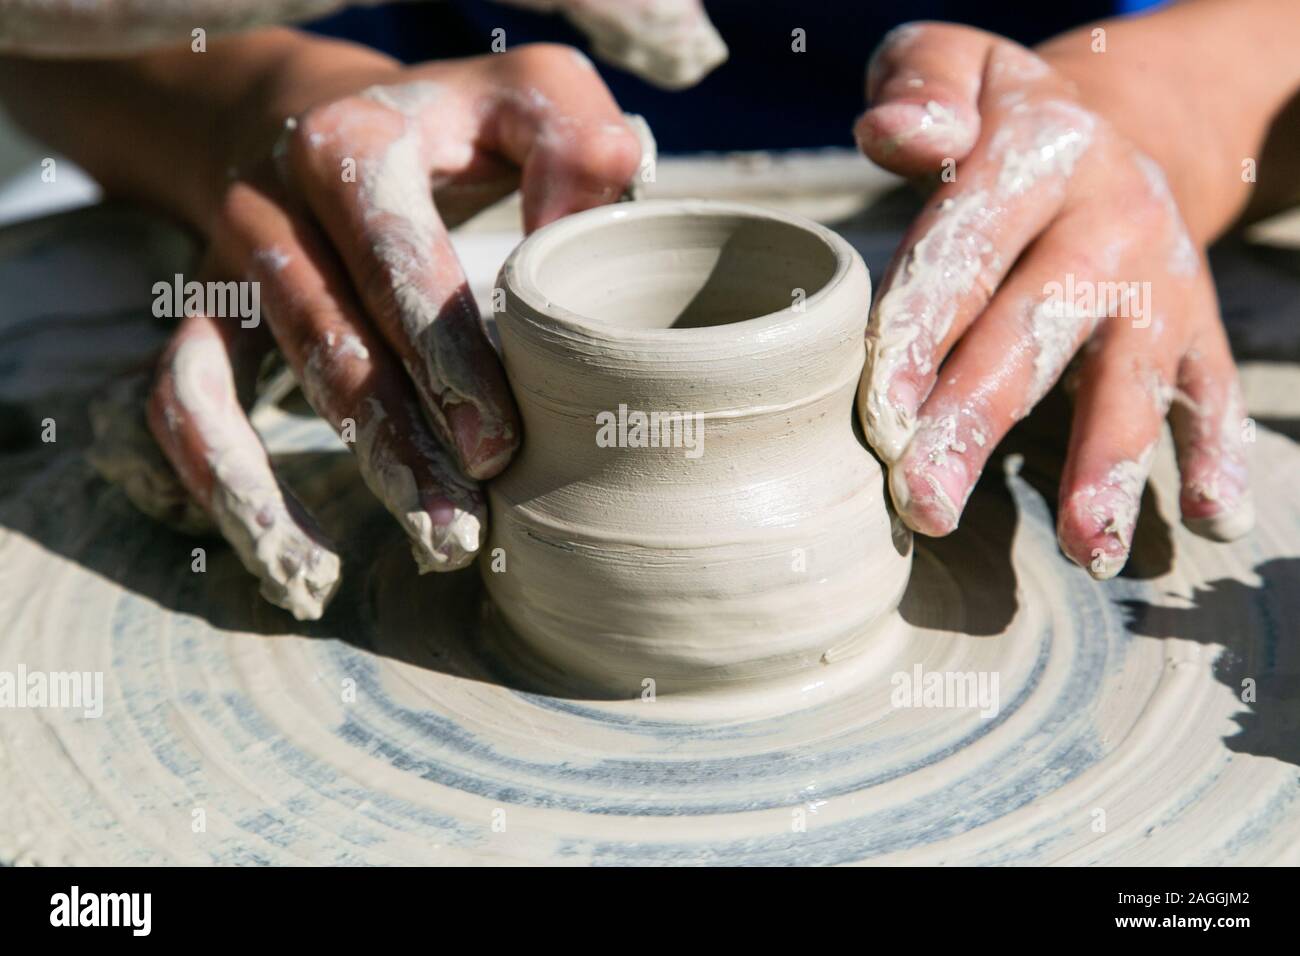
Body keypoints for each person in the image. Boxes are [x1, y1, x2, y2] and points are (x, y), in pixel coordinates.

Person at [0, 0, 1293, 618]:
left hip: (1033, 165)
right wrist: (261, 107)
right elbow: (43, 39)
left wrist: (1159, 120)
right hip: (462, 171)